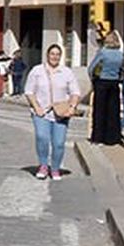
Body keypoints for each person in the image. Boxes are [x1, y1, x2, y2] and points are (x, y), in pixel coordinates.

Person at [25, 43, 80, 181]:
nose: (54, 57)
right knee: (42, 137)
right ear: (47, 55)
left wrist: (72, 107)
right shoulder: (37, 71)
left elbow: (75, 92)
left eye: (57, 54)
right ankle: (43, 166)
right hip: (42, 112)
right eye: (52, 54)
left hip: (61, 113)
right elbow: (29, 91)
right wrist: (36, 107)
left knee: (59, 143)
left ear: (60, 56)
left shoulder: (66, 72)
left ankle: (55, 168)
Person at [88, 30, 124, 146]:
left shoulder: (103, 52)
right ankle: (112, 138)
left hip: (102, 82)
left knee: (99, 111)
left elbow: (91, 67)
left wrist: (93, 79)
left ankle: (98, 138)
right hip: (114, 83)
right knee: (113, 112)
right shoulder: (120, 54)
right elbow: (122, 70)